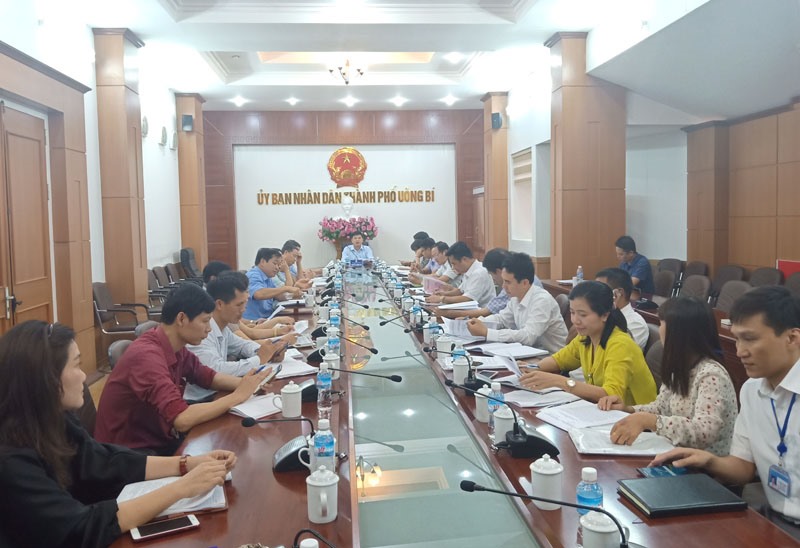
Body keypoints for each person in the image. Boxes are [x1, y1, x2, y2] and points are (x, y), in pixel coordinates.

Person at [0, 320, 236, 547]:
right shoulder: (11, 460)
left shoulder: (53, 418)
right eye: (77, 365)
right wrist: (181, 488)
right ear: (46, 379)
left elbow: (103, 460)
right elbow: (78, 528)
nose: (84, 377)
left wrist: (186, 464)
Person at [651, 287, 800, 539]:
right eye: (737, 339)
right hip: (773, 519)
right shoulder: (751, 390)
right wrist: (708, 460)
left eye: (750, 339)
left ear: (792, 338)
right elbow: (743, 467)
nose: (740, 351)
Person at [95, 284, 271, 455]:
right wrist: (238, 396)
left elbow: (207, 376)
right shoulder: (146, 357)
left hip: (159, 438)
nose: (209, 329)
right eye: (205, 321)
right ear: (181, 319)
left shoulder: (175, 346)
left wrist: (247, 384)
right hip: (130, 454)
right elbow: (182, 419)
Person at [598, 297, 737, 455]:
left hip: (705, 464)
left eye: (662, 323)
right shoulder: (679, 366)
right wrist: (628, 409)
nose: (660, 330)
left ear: (679, 332)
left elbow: (705, 432)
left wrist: (651, 421)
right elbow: (661, 408)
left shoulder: (711, 375)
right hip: (675, 453)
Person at [520, 281, 657, 405]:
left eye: (583, 315)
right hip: (602, 411)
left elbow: (612, 394)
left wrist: (559, 381)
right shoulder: (586, 337)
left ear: (605, 315)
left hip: (635, 417)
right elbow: (559, 360)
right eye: (572, 313)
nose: (575, 320)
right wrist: (531, 368)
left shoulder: (620, 344)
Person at [184, 271, 295, 403]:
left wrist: (270, 352)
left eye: (244, 304)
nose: (243, 309)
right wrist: (259, 359)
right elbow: (215, 370)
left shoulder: (223, 328)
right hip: (201, 400)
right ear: (219, 304)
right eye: (238, 305)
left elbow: (242, 345)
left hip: (219, 392)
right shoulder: (202, 331)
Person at [466, 252, 567, 354]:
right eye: (503, 281)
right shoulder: (516, 297)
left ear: (525, 283)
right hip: (530, 352)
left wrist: (487, 332)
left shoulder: (542, 301)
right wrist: (479, 322)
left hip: (552, 357)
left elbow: (528, 337)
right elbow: (502, 319)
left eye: (508, 282)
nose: (503, 286)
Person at [425, 241, 495, 308]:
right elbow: (460, 291)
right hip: (471, 309)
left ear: (464, 259)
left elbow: (468, 299)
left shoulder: (479, 273)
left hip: (481, 311)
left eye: (454, 264)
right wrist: (443, 294)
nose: (453, 268)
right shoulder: (468, 270)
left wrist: (442, 298)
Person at [596, 267, 649, 350]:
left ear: (618, 294)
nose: (593, 295)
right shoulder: (598, 315)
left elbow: (615, 351)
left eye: (600, 290)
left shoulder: (635, 324)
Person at [243, 247, 302, 321]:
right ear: (263, 262)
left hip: (268, 318)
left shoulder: (268, 277)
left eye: (279, 264)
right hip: (254, 322)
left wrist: (293, 295)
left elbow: (279, 296)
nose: (277, 268)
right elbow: (258, 294)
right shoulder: (253, 275)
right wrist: (285, 288)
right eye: (275, 263)